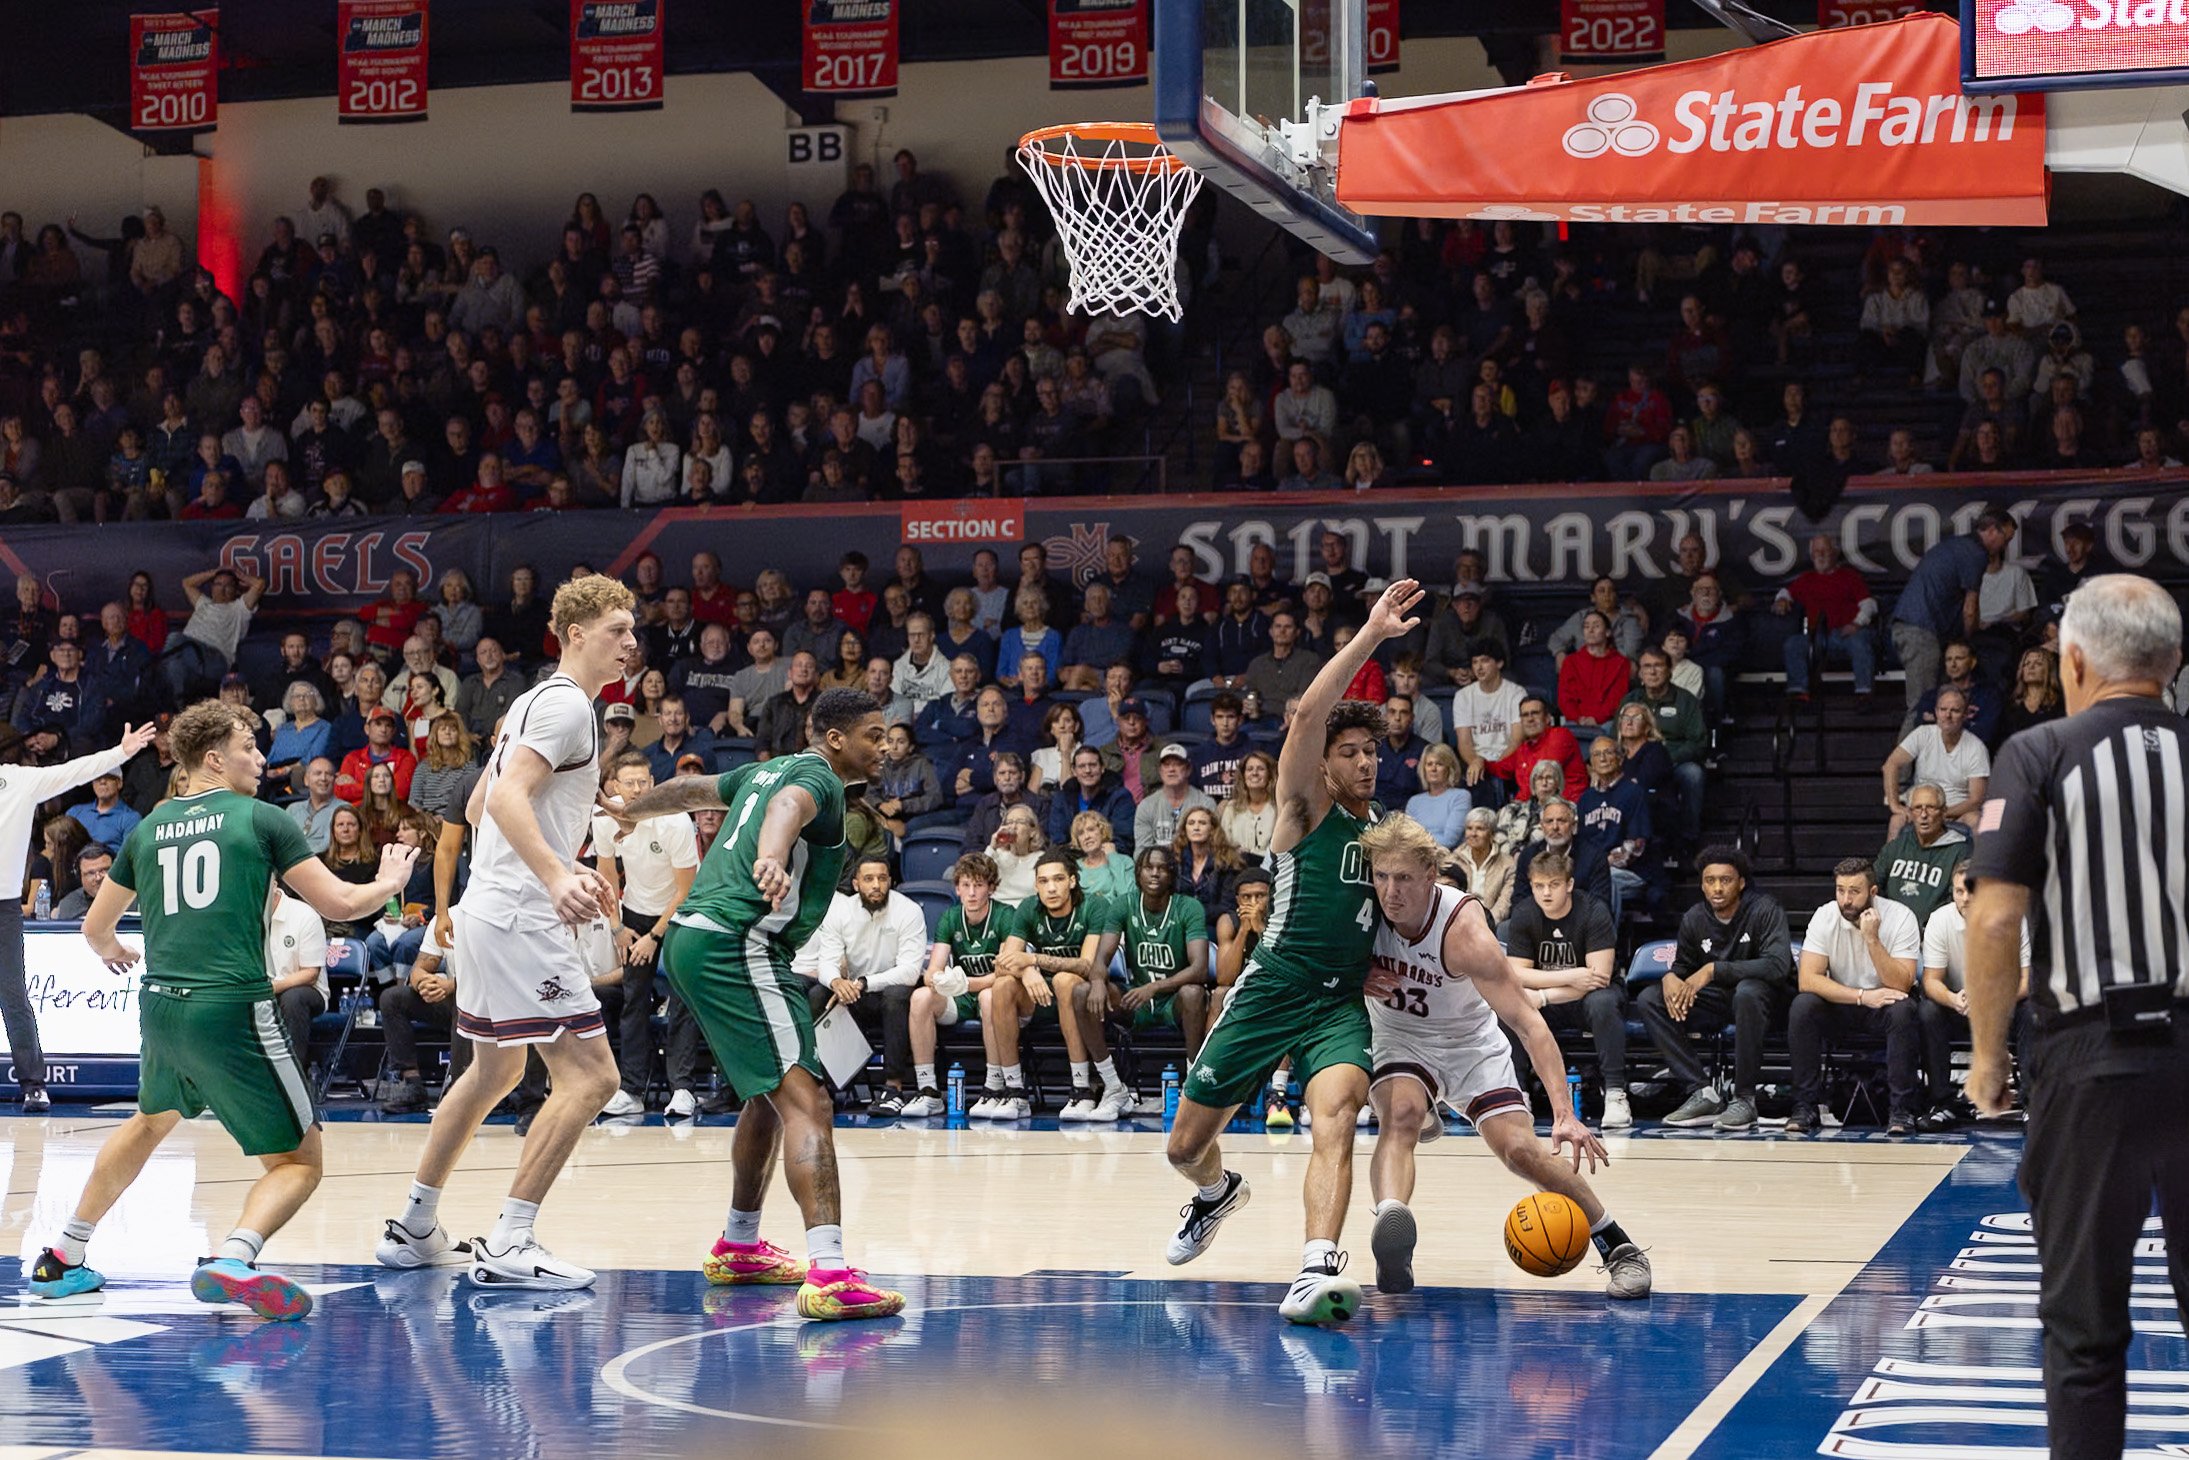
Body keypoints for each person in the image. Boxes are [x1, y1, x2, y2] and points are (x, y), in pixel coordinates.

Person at [33, 702, 418, 1317]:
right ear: (214, 759)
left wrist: (115, 951)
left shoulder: (148, 827)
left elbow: (96, 928)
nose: (262, 757)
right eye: (249, 745)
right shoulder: (262, 819)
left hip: (160, 1005)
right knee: (300, 1161)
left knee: (149, 1120)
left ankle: (62, 1255)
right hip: (230, 1006)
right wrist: (391, 882)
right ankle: (235, 1256)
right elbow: (342, 903)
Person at [1964, 574, 2189, 1460]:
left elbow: (1992, 915)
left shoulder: (2037, 751)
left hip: (2089, 1056)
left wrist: (1987, 1056)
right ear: (2172, 663)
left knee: (2085, 1330)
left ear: (2074, 658)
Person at [1163, 577, 1425, 1328]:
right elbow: (1308, 710)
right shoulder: (1301, 809)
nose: (1366, 762)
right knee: (1184, 1146)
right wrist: (1372, 634)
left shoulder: (1383, 832)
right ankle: (1216, 1192)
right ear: (1323, 763)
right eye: (1350, 752)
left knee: (1335, 1115)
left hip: (1338, 1002)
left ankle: (1316, 1268)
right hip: (1272, 986)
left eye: (1372, 752)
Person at [373, 577, 636, 1290]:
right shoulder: (571, 707)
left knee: (495, 1071)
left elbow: (489, 802)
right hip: (521, 912)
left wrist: (582, 806)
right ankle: (512, 1241)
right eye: (617, 628)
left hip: (485, 909)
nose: (631, 642)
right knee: (593, 1078)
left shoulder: (531, 702)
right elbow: (510, 798)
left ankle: (414, 1225)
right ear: (574, 633)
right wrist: (556, 873)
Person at [611, 686, 904, 1321]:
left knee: (767, 1096)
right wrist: (770, 856)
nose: (884, 746)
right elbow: (790, 808)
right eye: (874, 735)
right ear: (835, 739)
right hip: (736, 941)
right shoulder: (815, 778)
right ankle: (830, 1273)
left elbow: (691, 792)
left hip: (696, 939)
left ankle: (740, 1246)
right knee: (809, 1099)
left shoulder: (760, 768)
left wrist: (633, 810)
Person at [1357, 816, 1645, 1300]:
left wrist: (1565, 1115)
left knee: (1520, 1151)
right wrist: (1355, 974)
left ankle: (1620, 1247)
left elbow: (1530, 1025)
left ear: (1431, 873)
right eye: (1382, 876)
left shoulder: (1464, 930)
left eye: (1403, 877)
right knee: (1400, 1115)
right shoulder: (1360, 911)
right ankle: (1393, 1228)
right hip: (1401, 1038)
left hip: (1469, 1043)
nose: (1390, 891)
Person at [0, 722, 157, 1109]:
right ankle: (33, 1083)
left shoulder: (20, 781)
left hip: (3, 905)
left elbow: (77, 770)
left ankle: (33, 1083)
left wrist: (121, 753)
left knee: (13, 996)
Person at [1638, 846, 1793, 1132]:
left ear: (1741, 883)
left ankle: (1744, 1098)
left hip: (1765, 1002)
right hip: (1717, 1002)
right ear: (1702, 885)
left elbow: (1778, 966)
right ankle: (1702, 1091)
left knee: (1748, 991)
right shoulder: (1694, 918)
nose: (1717, 888)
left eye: (1726, 880)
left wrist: (1714, 970)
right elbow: (1684, 968)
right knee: (1651, 999)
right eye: (1710, 881)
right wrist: (1670, 977)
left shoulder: (1765, 909)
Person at [592, 752, 701, 1118]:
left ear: (653, 784)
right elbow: (607, 876)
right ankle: (631, 1090)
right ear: (615, 788)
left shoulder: (675, 822)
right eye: (630, 783)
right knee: (633, 1001)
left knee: (682, 1001)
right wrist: (618, 927)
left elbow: (685, 890)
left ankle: (683, 1089)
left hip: (682, 914)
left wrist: (653, 937)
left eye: (643, 782)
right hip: (634, 911)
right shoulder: (605, 820)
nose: (638, 790)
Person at [1788, 859, 1925, 1135]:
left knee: (1904, 1010)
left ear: (1873, 892)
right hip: (1844, 1003)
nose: (1846, 900)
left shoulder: (1901, 917)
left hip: (1885, 1004)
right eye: (1840, 890)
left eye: (1854, 891)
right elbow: (1808, 979)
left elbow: (1902, 983)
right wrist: (1862, 996)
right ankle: (1805, 1106)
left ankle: (1901, 1110)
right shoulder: (1824, 916)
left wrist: (1872, 939)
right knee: (1803, 1006)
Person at [797, 855, 929, 1117]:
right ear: (856, 884)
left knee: (896, 996)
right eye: (868, 879)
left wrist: (864, 983)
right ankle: (825, 1086)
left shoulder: (909, 911)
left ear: (891, 881)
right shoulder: (840, 912)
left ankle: (893, 1089)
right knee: (818, 995)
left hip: (891, 991)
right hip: (856, 992)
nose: (876, 885)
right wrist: (837, 982)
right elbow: (827, 961)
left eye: (882, 878)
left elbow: (910, 971)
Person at [985, 848, 1112, 1119]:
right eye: (1043, 882)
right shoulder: (1028, 907)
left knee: (1066, 980)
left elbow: (1086, 965)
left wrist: (1031, 959)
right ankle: (1015, 1091)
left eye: (1058, 879)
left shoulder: (1094, 905)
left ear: (1073, 881)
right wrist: (1028, 971)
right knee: (1002, 985)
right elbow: (1003, 962)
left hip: (1083, 1001)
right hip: (1040, 996)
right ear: (1036, 886)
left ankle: (1082, 1089)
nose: (1051, 888)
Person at [1915, 861, 2029, 1132]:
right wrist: (1953, 999)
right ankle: (1943, 1104)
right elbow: (1931, 980)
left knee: (2032, 1010)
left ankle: (2031, 1105)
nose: (1965, 898)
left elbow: (2028, 979)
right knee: (1928, 1012)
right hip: (1960, 1006)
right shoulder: (1940, 920)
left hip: (2004, 1009)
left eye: (1971, 891)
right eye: (1958, 892)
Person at [910, 853, 1011, 1120]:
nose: (972, 893)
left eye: (979, 885)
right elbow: (933, 969)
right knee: (921, 997)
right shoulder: (950, 917)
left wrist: (965, 983)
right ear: (956, 888)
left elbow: (1003, 974)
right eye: (966, 885)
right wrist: (938, 980)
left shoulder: (1005, 915)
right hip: (962, 996)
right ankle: (928, 1089)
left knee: (991, 995)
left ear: (991, 887)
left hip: (991, 993)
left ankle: (994, 1086)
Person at [1113, 844, 1215, 1061]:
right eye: (1148, 867)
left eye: (1162, 868)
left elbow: (1200, 969)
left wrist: (1153, 987)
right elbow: (1101, 959)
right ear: (1138, 872)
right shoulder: (1124, 904)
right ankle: (1106, 1082)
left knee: (1193, 992)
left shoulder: (1189, 907)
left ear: (1172, 875)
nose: (1155, 873)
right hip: (1136, 1000)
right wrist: (1095, 982)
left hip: (1174, 1001)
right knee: (1085, 992)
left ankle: (1192, 1078)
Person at [1882, 688, 1990, 836]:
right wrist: (1895, 805)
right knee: (1896, 820)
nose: (1948, 715)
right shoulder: (1922, 734)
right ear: (1936, 712)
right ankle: (1891, 860)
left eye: (1955, 711)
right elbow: (1890, 765)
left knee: (1976, 819)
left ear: (1965, 715)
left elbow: (1976, 799)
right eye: (1943, 709)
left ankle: (1974, 861)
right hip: (1921, 809)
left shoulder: (1976, 747)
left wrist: (1942, 813)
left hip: (1956, 813)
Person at [1873, 782, 1968, 929]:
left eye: (1931, 807)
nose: (1924, 815)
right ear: (1910, 813)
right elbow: (1873, 885)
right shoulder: (1897, 846)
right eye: (1918, 808)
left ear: (1943, 812)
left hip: (1934, 937)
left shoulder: (1961, 851)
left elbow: (1957, 902)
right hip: (1891, 933)